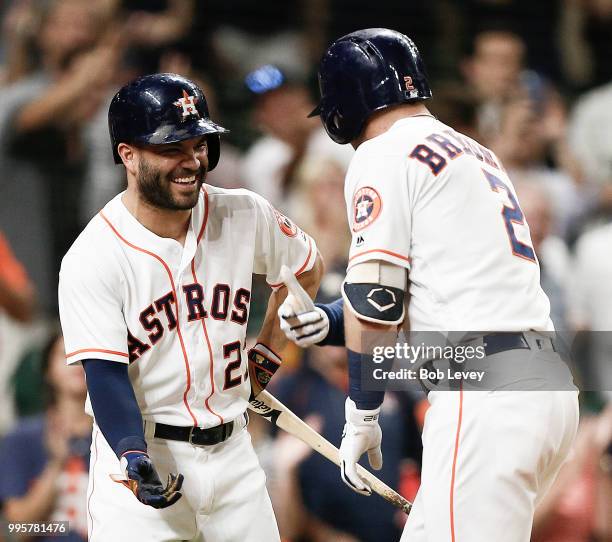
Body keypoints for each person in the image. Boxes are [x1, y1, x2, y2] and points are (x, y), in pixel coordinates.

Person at [278, 28, 579, 542]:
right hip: (541, 380)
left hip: (485, 390)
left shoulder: (381, 153)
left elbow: (378, 298)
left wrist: (363, 412)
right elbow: (438, 283)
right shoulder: (476, 151)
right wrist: (331, 319)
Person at [58, 73, 323, 541]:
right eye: (171, 148)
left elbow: (305, 267)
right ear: (128, 155)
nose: (192, 161)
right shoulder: (93, 256)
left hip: (235, 456)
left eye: (198, 144)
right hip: (146, 457)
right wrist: (131, 454)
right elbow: (104, 376)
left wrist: (268, 350)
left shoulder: (244, 212)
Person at [0, 333, 91, 541]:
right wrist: (56, 464)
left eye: (85, 356)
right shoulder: (21, 438)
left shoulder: (119, 436)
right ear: (47, 370)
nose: (77, 363)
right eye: (66, 355)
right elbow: (14, 530)